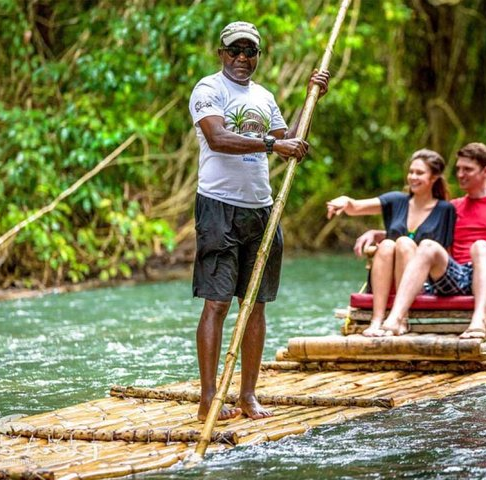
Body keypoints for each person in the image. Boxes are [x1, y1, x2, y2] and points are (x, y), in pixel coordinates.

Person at [188, 21, 330, 421]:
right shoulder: (208, 89)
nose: (241, 58)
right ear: (222, 53)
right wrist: (271, 142)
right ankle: (208, 399)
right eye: (235, 50)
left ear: (257, 56)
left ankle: (248, 395)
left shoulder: (265, 96)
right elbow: (218, 139)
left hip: (262, 209)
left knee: (255, 305)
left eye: (250, 51)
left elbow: (292, 141)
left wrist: (310, 96)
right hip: (219, 206)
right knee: (216, 303)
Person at [355, 142, 486, 338]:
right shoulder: (452, 207)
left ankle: (478, 322)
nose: (460, 174)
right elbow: (417, 233)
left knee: (480, 247)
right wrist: (378, 234)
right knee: (427, 246)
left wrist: (485, 261)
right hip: (458, 275)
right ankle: (396, 319)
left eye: (467, 169)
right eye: (458, 169)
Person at [327, 149, 456, 336]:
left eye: (419, 173)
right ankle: (377, 319)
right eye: (411, 172)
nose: (412, 177)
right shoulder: (396, 200)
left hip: (422, 281)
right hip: (385, 278)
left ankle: (401, 318)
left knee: (403, 242)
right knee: (387, 244)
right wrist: (345, 201)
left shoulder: (445, 209)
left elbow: (444, 252)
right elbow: (356, 207)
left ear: (434, 177)